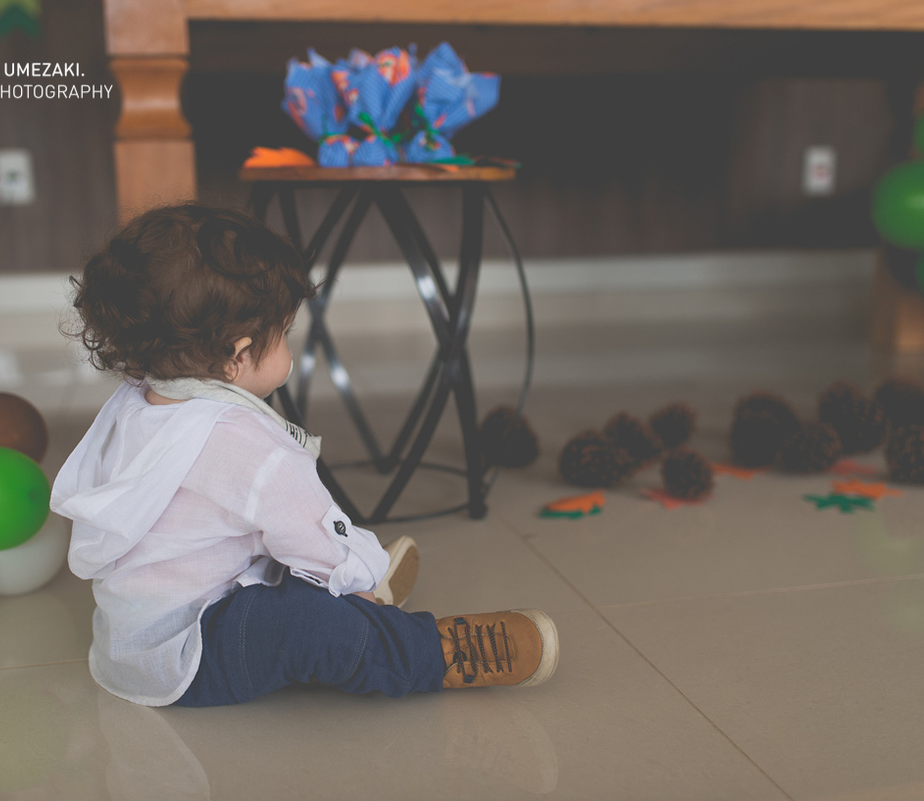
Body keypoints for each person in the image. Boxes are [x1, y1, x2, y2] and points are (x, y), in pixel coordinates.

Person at [51, 203, 558, 707]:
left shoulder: (136, 403)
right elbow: (311, 530)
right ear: (238, 355)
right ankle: (424, 650)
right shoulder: (244, 444)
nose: (289, 343)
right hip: (193, 654)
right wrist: (360, 572)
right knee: (307, 622)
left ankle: (353, 596)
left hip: (131, 639)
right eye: (286, 333)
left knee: (277, 569)